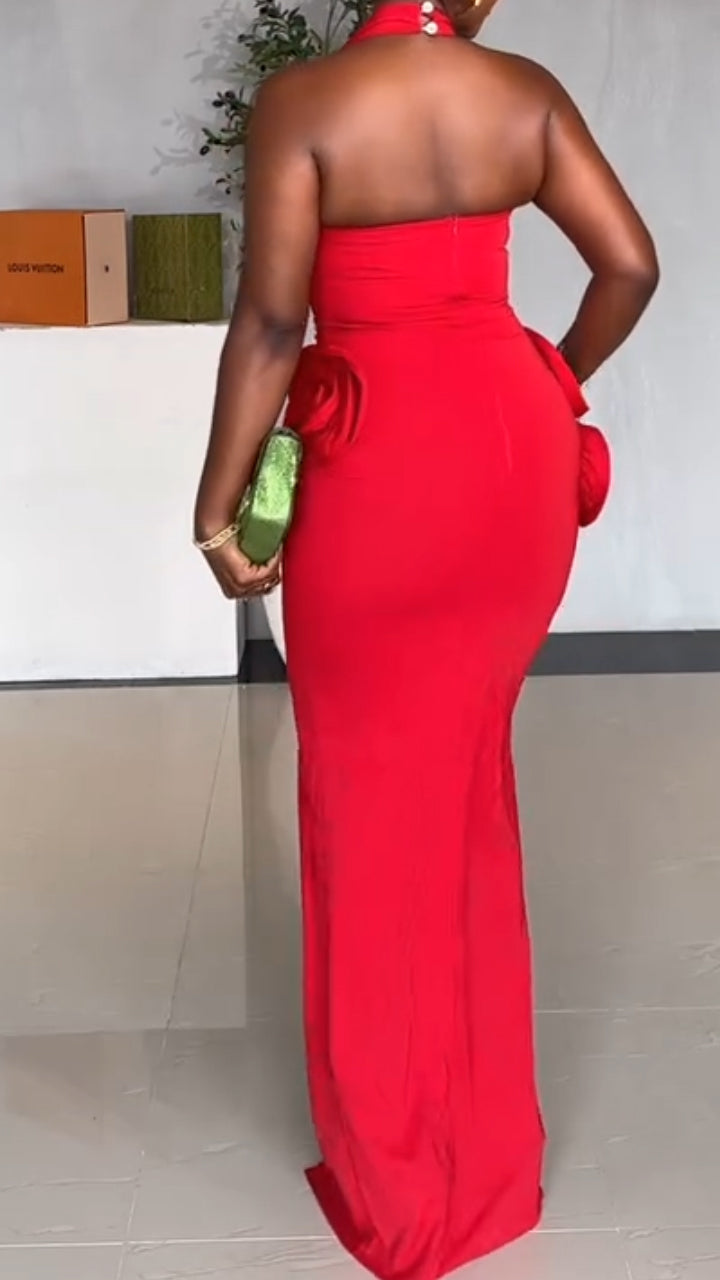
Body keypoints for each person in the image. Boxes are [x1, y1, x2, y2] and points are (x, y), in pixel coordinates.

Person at [193, 1, 658, 1276]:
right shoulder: (523, 89)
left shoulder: (305, 104)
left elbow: (273, 326)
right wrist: (552, 378)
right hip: (511, 458)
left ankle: (400, 1182)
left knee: (364, 802)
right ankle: (489, 1154)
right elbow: (630, 265)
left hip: (382, 466)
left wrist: (218, 509)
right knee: (464, 788)